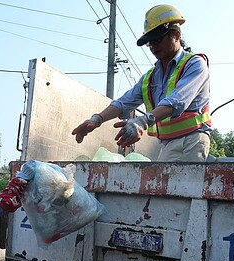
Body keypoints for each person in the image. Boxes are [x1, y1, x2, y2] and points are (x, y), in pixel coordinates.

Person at [71, 4, 212, 162]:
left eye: (158, 39)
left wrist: (142, 121)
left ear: (176, 35)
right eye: (149, 42)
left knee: (182, 185)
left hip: (192, 140)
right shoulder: (151, 76)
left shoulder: (195, 64)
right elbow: (124, 102)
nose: (153, 46)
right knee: (164, 186)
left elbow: (177, 101)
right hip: (167, 144)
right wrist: (96, 119)